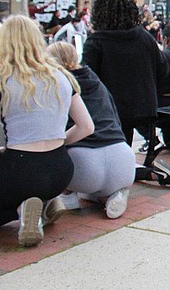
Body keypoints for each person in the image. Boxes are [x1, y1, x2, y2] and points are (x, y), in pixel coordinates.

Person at [0, 16, 94, 246]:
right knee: (31, 184)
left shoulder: (2, 82)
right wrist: (58, 142)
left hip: (19, 171)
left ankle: (25, 208)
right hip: (60, 170)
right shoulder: (60, 76)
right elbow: (87, 126)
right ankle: (44, 203)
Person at [82, 0, 170, 188]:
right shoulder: (145, 37)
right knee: (122, 149)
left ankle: (122, 183)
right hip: (143, 108)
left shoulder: (96, 42)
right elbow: (163, 70)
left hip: (109, 112)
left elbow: (87, 80)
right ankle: (139, 174)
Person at [47, 42, 135, 219]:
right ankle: (112, 195)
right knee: (99, 187)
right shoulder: (97, 82)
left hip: (83, 163)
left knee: (53, 147)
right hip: (123, 159)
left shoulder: (58, 86)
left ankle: (68, 196)